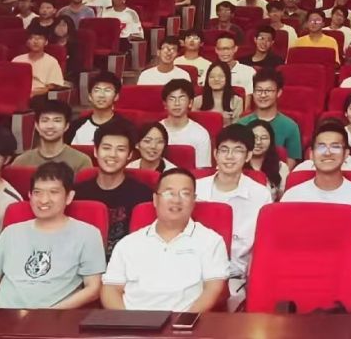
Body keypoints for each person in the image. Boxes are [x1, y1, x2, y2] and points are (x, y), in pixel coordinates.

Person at [0, 159, 105, 309]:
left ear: (69, 197)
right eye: (37, 192)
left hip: (56, 317)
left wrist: (52, 314)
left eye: (53, 192)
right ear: (29, 195)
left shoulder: (88, 234)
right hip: (5, 316)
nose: (44, 200)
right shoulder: (11, 232)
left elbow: (93, 289)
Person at [102, 168, 230, 312]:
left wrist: (184, 321)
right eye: (169, 193)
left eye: (185, 193)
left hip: (184, 321)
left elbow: (213, 289)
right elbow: (111, 289)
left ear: (194, 200)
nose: (176, 200)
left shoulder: (210, 241)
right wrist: (127, 320)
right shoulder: (128, 243)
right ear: (155, 200)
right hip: (132, 320)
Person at [195, 126, 271, 306]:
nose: (229, 156)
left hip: (234, 278)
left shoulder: (260, 194)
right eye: (224, 150)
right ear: (215, 154)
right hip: (193, 273)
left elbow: (263, 245)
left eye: (238, 150)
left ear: (249, 156)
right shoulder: (195, 188)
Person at [281, 123, 351, 247]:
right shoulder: (292, 196)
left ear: (346, 154)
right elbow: (282, 242)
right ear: (311, 154)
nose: (327, 153)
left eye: (335, 147)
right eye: (321, 147)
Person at [74, 117, 154, 254]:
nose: (112, 155)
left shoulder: (144, 195)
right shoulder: (77, 194)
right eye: (106, 148)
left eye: (120, 149)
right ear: (95, 151)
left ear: (129, 155)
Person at [235, 69, 302, 163]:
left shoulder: (290, 126)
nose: (263, 95)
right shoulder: (241, 124)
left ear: (279, 92)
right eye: (259, 90)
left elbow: (290, 162)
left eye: (268, 90)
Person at [12, 102, 91, 174]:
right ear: (36, 126)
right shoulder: (21, 162)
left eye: (57, 120)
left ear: (66, 126)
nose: (50, 126)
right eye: (45, 120)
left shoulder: (81, 161)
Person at [156, 80, 212, 167]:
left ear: (190, 103)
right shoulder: (155, 131)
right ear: (165, 104)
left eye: (182, 98)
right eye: (172, 99)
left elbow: (202, 169)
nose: (177, 103)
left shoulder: (200, 133)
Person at [69, 72, 124, 146]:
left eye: (107, 90)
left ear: (116, 96)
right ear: (90, 96)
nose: (101, 95)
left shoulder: (125, 127)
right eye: (97, 90)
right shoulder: (76, 126)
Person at [15, 29, 70, 101]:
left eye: (40, 38)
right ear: (27, 42)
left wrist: (35, 92)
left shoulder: (52, 61)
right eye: (32, 38)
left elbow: (52, 85)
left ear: (46, 42)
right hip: (18, 93)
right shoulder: (17, 60)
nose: (35, 41)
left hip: (39, 95)